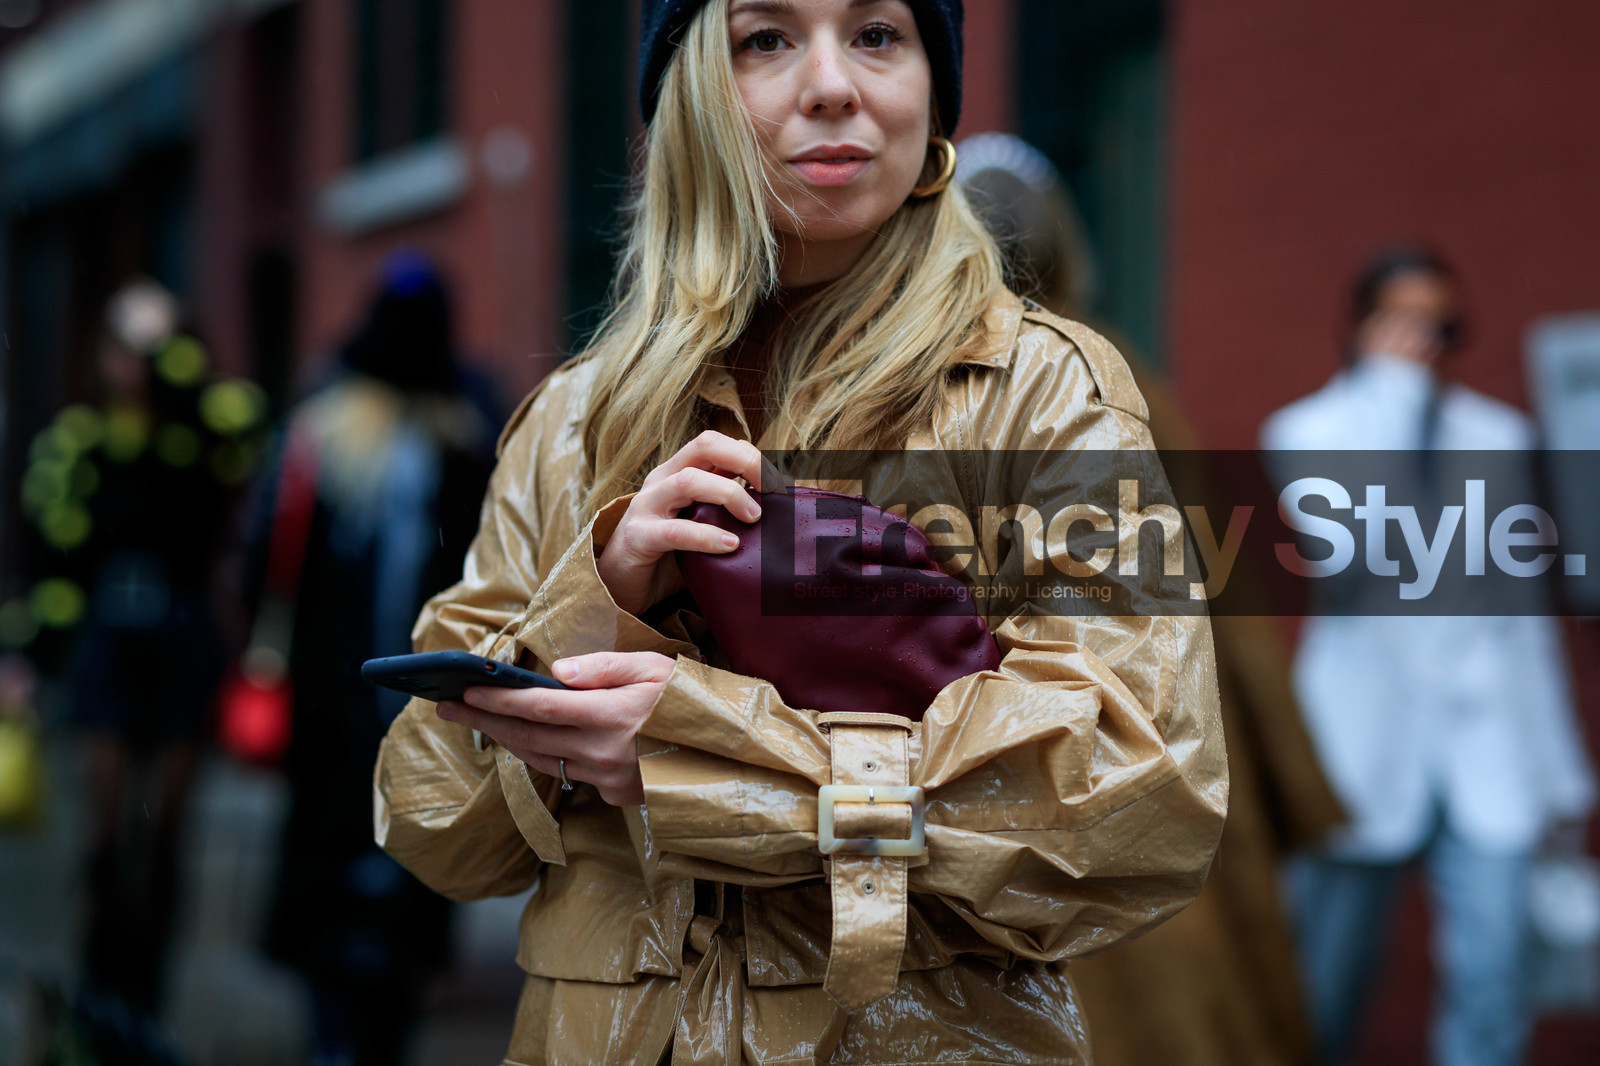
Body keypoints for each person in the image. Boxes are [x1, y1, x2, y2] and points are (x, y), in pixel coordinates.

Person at [374, 3, 1227, 1063]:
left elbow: (1145, 804)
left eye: (877, 34)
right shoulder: (568, 422)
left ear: (932, 89)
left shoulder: (1045, 397)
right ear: (687, 96)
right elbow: (430, 821)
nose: (832, 84)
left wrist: (712, 764)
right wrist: (597, 600)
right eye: (765, 38)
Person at [960, 131, 1346, 1066]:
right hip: (1168, 764)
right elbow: (1230, 617)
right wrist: (1288, 785)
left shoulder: (926, 401)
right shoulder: (1126, 382)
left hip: (998, 779)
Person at [1260, 246, 1597, 1066]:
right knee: (1324, 984)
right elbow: (1352, 552)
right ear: (1361, 326)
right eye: (1399, 321)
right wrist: (1396, 401)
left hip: (1489, 748)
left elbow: (1522, 615)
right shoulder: (1307, 431)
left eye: (1436, 325)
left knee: (1492, 982)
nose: (1419, 342)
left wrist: (1560, 774)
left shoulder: (1501, 437)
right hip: (1362, 746)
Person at [259, 252, 499, 1066]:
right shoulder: (339, 435)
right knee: (357, 866)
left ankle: (363, 1021)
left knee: (393, 867)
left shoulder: (449, 431)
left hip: (404, 697)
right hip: (349, 695)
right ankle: (349, 1023)